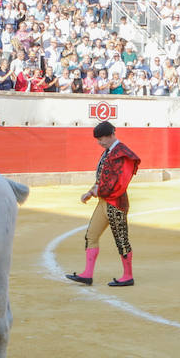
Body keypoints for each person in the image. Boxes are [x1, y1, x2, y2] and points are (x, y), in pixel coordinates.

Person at [66, 121, 140, 288]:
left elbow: (119, 183)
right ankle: (87, 275)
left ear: (111, 135)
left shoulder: (122, 153)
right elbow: (102, 179)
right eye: (98, 140)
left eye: (102, 139)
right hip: (104, 202)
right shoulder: (109, 152)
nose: (99, 143)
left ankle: (128, 276)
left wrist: (98, 192)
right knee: (91, 235)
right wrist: (91, 192)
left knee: (121, 240)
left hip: (116, 203)